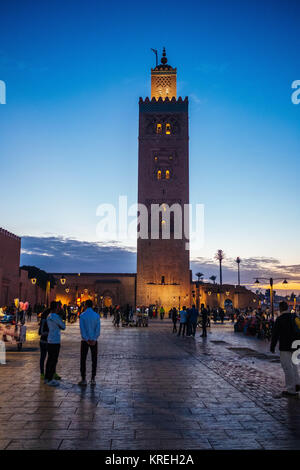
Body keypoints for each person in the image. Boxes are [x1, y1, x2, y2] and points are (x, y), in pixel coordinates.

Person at [271, 301, 300, 398]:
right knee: (295, 366)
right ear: (287, 308)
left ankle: (291, 389)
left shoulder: (280, 319)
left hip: (285, 346)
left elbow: (275, 334)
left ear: (280, 308)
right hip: (296, 345)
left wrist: (272, 346)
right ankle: (297, 385)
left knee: (287, 367)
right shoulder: (294, 317)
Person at [78, 300, 101, 386]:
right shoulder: (96, 316)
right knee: (94, 360)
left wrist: (87, 339)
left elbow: (82, 329)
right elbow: (97, 329)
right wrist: (94, 339)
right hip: (94, 341)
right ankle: (93, 379)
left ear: (86, 305)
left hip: (85, 341)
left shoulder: (82, 316)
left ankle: (83, 379)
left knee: (83, 360)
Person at [44, 301, 66, 387]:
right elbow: (63, 326)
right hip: (55, 340)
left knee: (49, 360)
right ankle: (50, 379)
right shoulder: (56, 317)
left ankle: (47, 377)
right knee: (53, 360)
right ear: (56, 308)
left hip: (50, 339)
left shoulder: (49, 315)